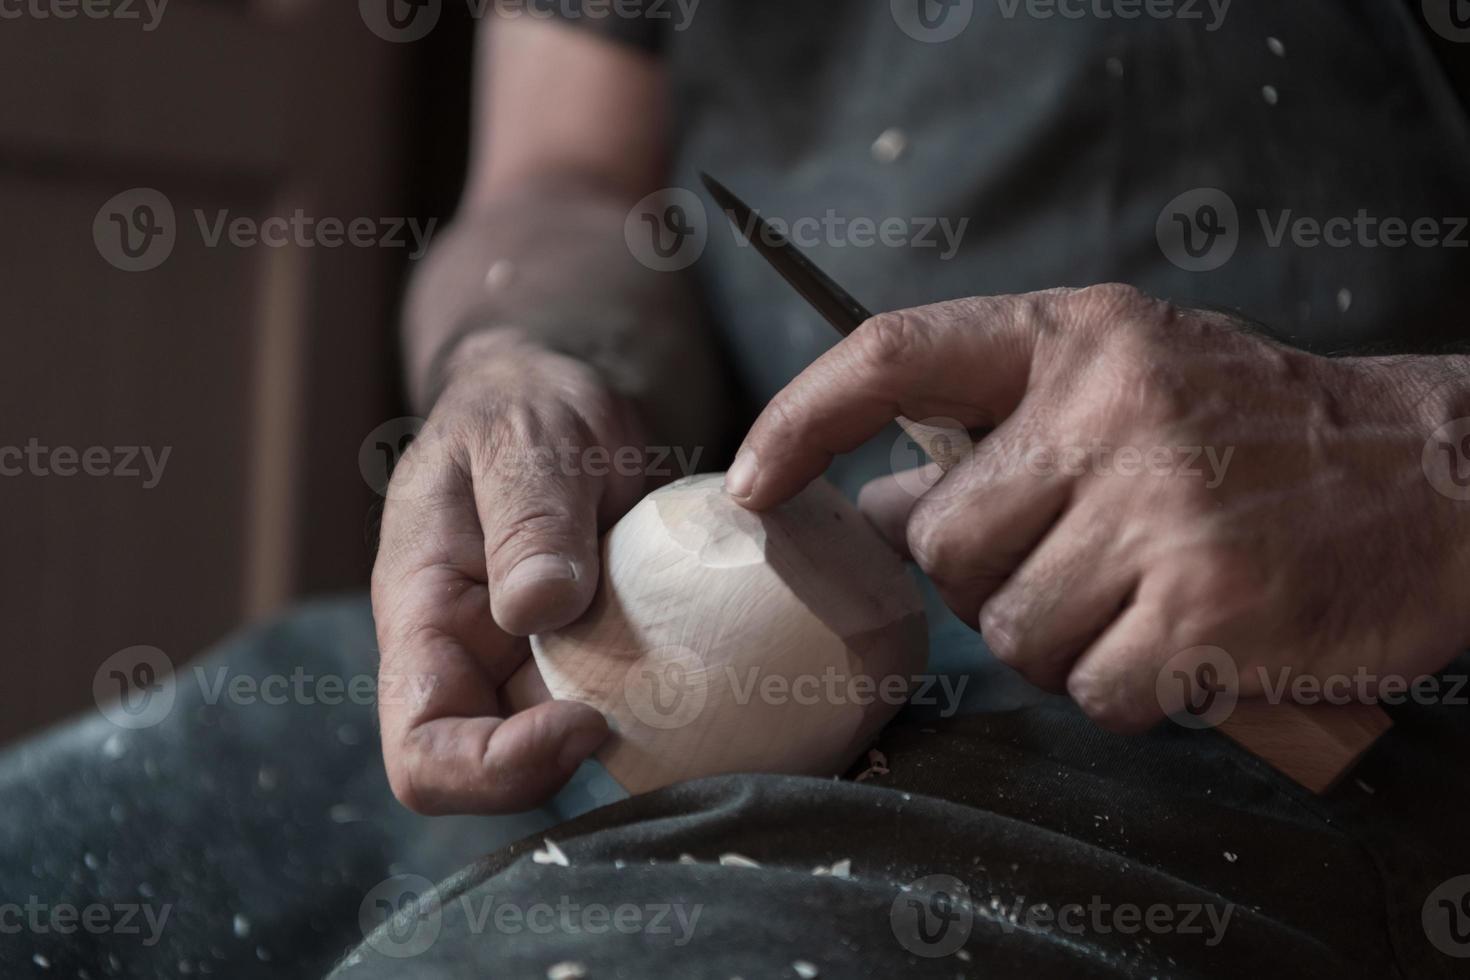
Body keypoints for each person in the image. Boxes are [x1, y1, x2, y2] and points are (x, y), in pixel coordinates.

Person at [5, 3, 1469, 978]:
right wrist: (525, 358)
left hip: (1308, 707)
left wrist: (1422, 457)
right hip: (642, 624)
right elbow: (564, 174)